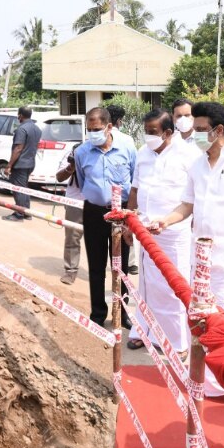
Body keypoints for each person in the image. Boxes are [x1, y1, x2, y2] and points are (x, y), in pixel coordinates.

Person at [151, 101, 224, 397]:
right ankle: (205, 381)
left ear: (218, 130)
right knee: (201, 317)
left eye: (201, 130)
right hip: (200, 256)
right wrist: (164, 221)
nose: (197, 135)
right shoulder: (197, 164)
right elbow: (187, 205)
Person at [126, 109, 199, 357]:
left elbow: (196, 196)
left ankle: (176, 343)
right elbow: (135, 189)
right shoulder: (142, 154)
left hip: (173, 233)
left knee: (172, 288)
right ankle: (142, 331)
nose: (148, 136)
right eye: (145, 131)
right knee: (146, 284)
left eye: (153, 132)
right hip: (144, 230)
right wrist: (129, 221)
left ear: (168, 133)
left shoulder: (189, 155)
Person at [75, 107, 136, 329]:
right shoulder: (82, 152)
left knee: (120, 267)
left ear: (109, 127)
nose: (92, 133)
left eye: (97, 129)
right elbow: (82, 183)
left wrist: (130, 213)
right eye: (89, 129)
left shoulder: (127, 148)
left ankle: (122, 313)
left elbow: (135, 180)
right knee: (96, 265)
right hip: (94, 212)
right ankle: (98, 314)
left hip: (121, 214)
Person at [107, 104, 139, 274]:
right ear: (119, 121)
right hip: (124, 198)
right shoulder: (128, 140)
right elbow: (135, 169)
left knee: (111, 238)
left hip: (102, 199)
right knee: (124, 234)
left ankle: (117, 269)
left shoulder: (94, 139)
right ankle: (125, 269)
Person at [2, 106, 42, 222]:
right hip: (30, 162)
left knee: (18, 189)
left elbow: (18, 148)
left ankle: (19, 214)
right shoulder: (37, 129)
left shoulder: (22, 129)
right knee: (24, 188)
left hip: (20, 164)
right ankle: (26, 212)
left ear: (20, 115)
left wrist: (9, 165)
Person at [55, 143, 84, 285]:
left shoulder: (100, 154)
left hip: (97, 203)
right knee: (72, 238)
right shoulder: (73, 151)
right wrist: (71, 167)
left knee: (98, 241)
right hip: (75, 202)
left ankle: (99, 273)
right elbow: (59, 177)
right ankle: (71, 270)